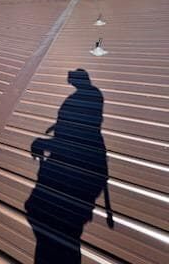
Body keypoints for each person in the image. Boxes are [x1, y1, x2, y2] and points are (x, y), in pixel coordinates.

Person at [25, 69, 113, 263]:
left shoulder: (82, 104)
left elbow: (72, 137)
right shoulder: (90, 101)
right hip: (70, 177)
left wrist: (43, 142)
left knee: (46, 221)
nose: (69, 79)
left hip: (67, 178)